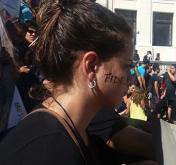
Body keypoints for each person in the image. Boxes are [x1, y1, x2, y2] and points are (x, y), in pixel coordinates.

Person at [0, 0, 156, 164]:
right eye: (127, 65)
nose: (130, 77)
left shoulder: (73, 126)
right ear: (91, 66)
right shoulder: (49, 150)